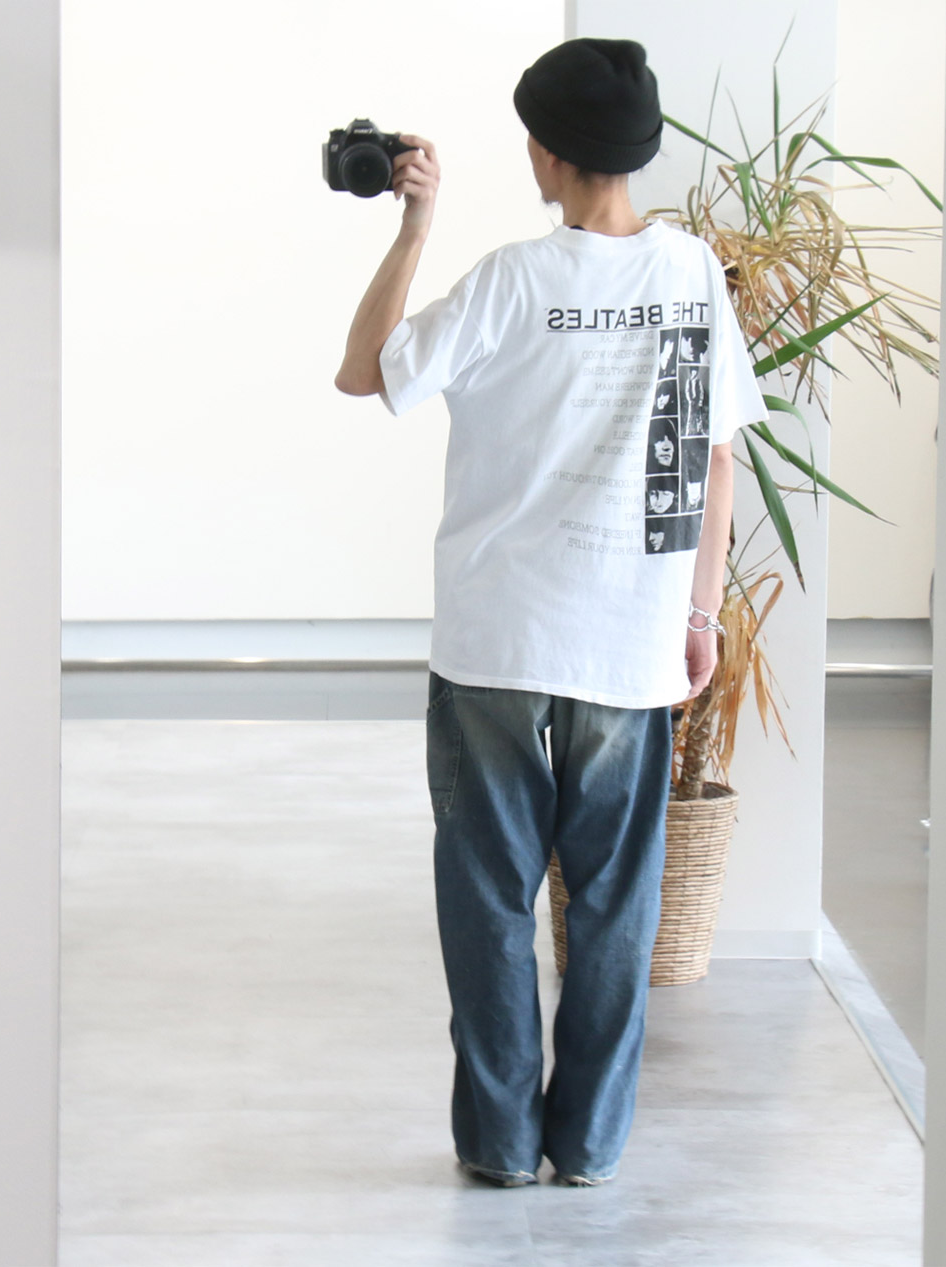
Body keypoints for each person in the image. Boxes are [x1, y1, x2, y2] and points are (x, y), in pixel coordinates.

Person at [334, 37, 766, 1188]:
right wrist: (700, 615)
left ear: (545, 151)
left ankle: (497, 1144)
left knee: (487, 904)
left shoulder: (509, 281)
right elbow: (714, 457)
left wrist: (414, 226)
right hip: (626, 644)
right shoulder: (691, 276)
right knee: (615, 911)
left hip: (496, 645)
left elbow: (367, 369)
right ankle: (588, 1142)